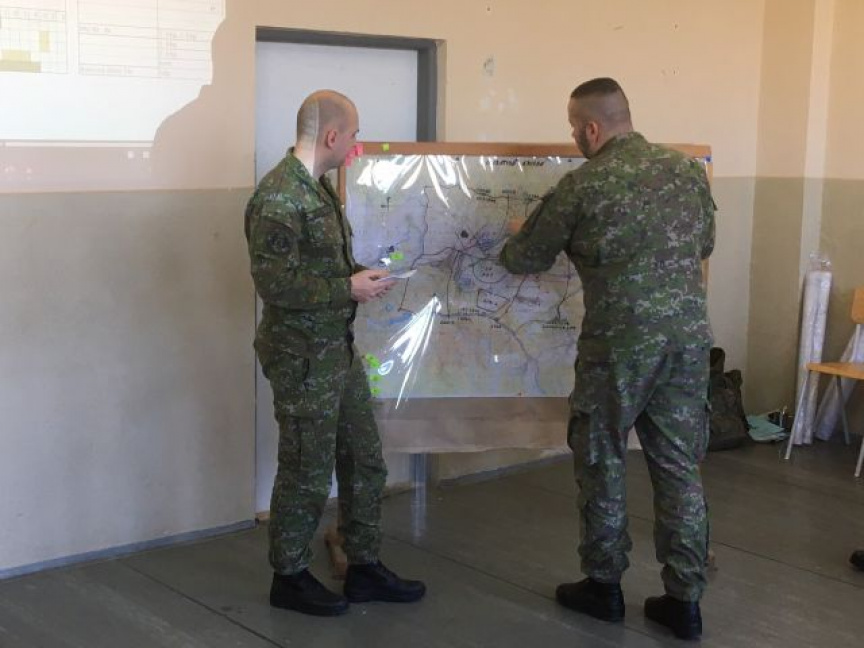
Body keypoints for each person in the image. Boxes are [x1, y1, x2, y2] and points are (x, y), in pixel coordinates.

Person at [499, 78, 715, 641]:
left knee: (602, 458)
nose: (575, 137)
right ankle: (685, 601)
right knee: (679, 467)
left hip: (619, 347)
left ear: (591, 128)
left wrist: (523, 230)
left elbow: (523, 257)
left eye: (575, 129)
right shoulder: (687, 173)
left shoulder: (583, 185)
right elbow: (704, 244)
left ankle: (603, 586)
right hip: (687, 342)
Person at [245, 90, 426, 617]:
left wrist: (360, 276)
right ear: (331, 136)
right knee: (306, 469)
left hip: (335, 353)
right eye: (353, 135)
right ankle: (289, 576)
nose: (356, 145)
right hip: (302, 359)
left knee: (364, 458)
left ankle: (364, 566)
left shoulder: (318, 188)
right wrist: (347, 288)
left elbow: (322, 266)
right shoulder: (280, 198)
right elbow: (275, 285)